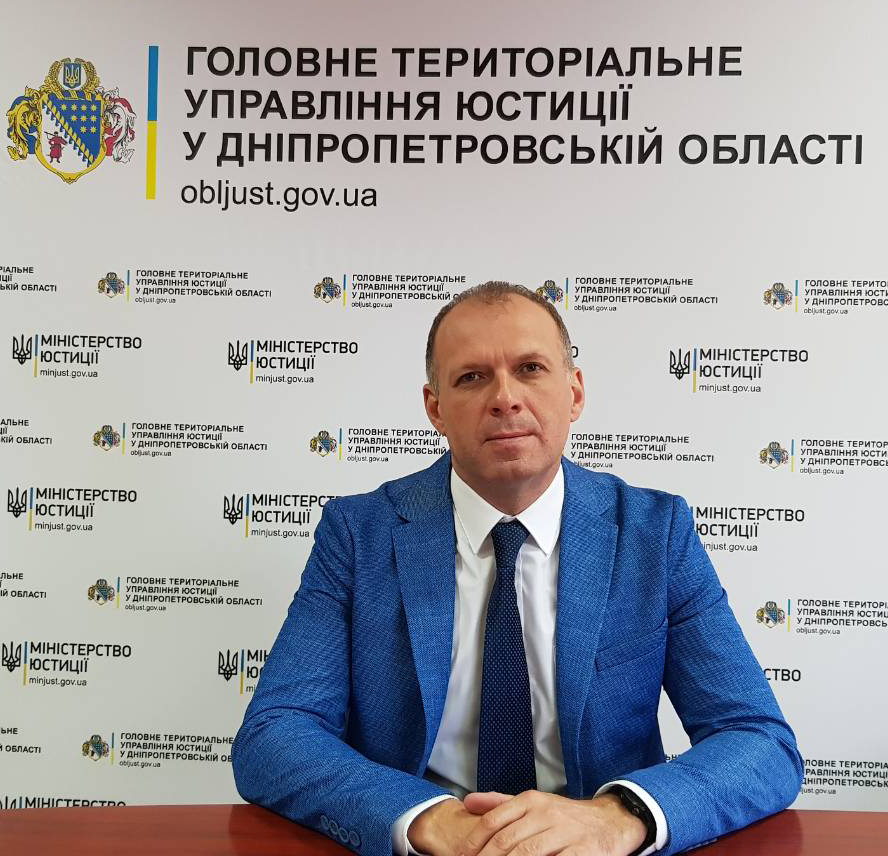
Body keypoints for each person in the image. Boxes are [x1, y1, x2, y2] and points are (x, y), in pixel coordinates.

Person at [232, 281, 803, 856]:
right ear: (435, 408)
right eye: (471, 377)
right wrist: (428, 820)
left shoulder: (655, 533)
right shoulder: (359, 534)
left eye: (530, 368)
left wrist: (615, 818)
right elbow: (274, 734)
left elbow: (757, 739)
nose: (505, 398)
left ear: (574, 393)